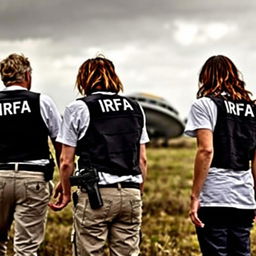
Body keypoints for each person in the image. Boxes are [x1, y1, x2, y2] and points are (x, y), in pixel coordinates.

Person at [49, 56, 149, 256]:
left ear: (83, 80)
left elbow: (66, 161)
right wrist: (137, 191)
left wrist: (67, 191)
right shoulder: (135, 108)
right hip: (131, 193)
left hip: (97, 195)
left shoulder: (78, 108)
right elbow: (142, 160)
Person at [185, 55, 256, 256]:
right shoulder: (253, 109)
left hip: (215, 196)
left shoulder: (204, 105)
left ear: (205, 77)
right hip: (244, 197)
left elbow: (206, 150)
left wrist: (195, 196)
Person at [0, 53, 62, 256]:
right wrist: (65, 178)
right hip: (33, 177)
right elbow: (60, 143)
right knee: (26, 248)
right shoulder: (42, 102)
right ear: (27, 75)